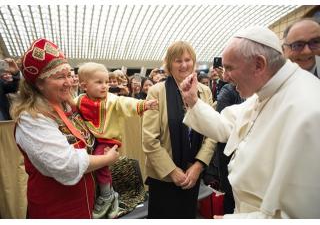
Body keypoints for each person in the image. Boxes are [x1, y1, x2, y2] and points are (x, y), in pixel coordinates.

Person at [181, 26, 320, 218]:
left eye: (229, 68)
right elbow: (227, 127)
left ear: (258, 65)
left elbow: (299, 216)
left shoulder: (307, 109)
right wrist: (193, 101)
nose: (225, 76)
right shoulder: (265, 93)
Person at [10, 38, 120, 218]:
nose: (69, 82)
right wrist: (106, 159)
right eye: (60, 77)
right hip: (56, 211)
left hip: (87, 205)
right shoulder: (31, 119)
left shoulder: (69, 107)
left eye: (69, 74)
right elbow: (65, 165)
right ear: (39, 83)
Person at [142, 41, 216, 218]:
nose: (184, 65)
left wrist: (199, 165)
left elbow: (211, 134)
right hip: (164, 176)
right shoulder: (156, 92)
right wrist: (172, 171)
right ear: (169, 64)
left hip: (193, 174)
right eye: (177, 61)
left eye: (187, 59)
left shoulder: (204, 92)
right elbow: (149, 139)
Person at [76, 62, 158, 219]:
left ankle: (107, 195)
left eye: (106, 82)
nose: (105, 86)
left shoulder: (112, 99)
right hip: (91, 139)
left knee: (100, 162)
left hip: (108, 141)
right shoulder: (79, 100)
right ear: (84, 86)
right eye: (99, 82)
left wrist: (145, 104)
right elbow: (69, 107)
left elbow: (127, 102)